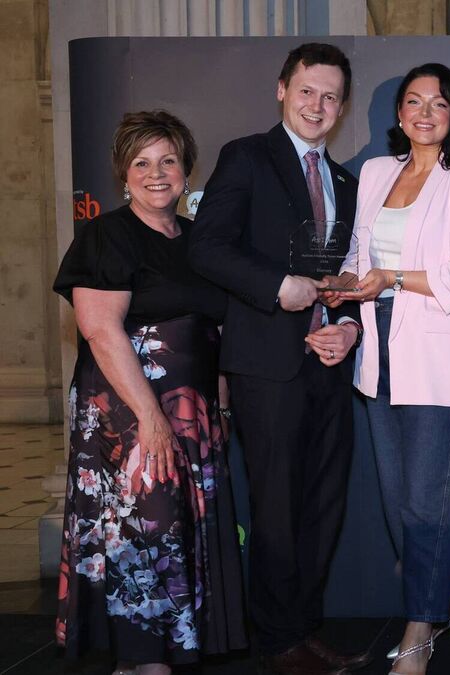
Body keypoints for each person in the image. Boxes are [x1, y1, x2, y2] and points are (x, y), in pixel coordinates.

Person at [189, 43, 367, 675]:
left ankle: (302, 628)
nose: (318, 105)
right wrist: (275, 286)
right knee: (277, 510)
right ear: (282, 90)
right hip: (266, 366)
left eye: (330, 96)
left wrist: (346, 325)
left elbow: (347, 276)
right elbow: (207, 248)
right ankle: (277, 640)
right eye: (307, 91)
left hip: (328, 366)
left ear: (342, 106)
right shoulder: (247, 157)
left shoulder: (345, 183)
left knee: (323, 506)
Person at [54, 110, 246, 674]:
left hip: (193, 413)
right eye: (141, 163)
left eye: (168, 161)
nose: (156, 174)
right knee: (143, 525)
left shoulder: (199, 239)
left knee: (176, 527)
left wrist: (221, 405)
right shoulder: (106, 235)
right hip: (129, 412)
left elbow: (213, 330)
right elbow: (100, 330)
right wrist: (150, 417)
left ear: (187, 170)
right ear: (123, 173)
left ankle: (158, 654)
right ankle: (142, 659)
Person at [328, 63, 450, 675]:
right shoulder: (376, 172)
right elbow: (358, 253)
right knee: (400, 503)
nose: (425, 113)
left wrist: (390, 277)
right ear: (398, 114)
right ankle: (445, 594)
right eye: (414, 102)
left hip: (441, 357)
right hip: (379, 354)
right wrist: (341, 289)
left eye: (439, 103)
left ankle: (420, 628)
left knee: (430, 504)